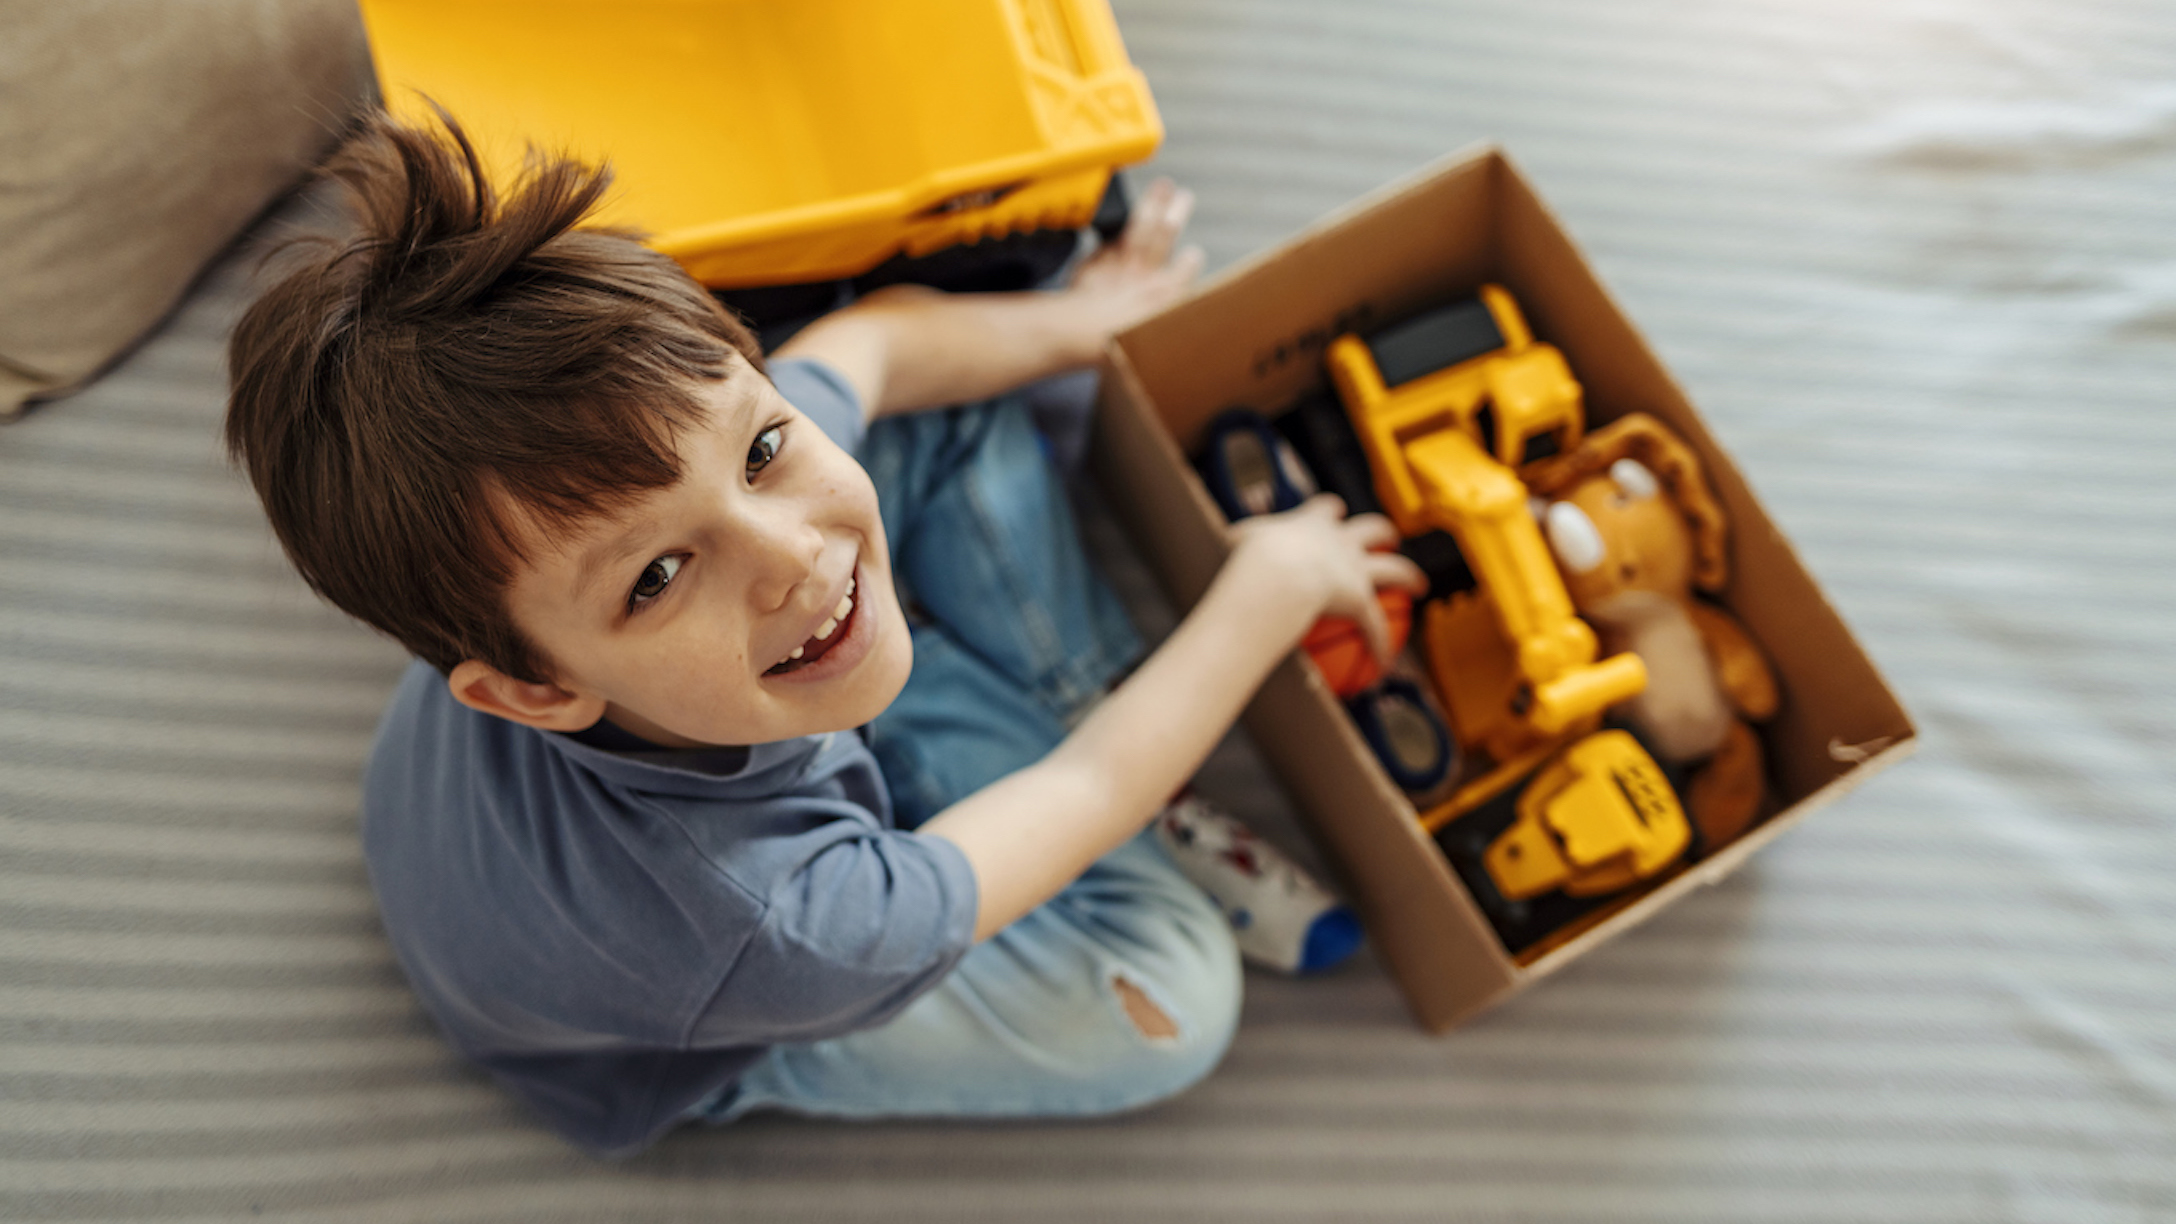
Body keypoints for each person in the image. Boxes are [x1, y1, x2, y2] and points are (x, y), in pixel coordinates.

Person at [224, 109, 1425, 1158]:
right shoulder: (784, 934)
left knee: (954, 410)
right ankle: (1073, 723)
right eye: (656, 577)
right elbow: (1100, 781)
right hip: (705, 1001)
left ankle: (949, 703)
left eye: (759, 450)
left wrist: (1081, 319)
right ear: (532, 694)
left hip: (546, 804)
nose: (795, 557)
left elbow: (878, 342)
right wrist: (1262, 594)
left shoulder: (612, 542)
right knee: (1170, 1001)